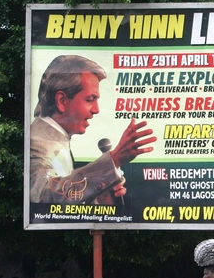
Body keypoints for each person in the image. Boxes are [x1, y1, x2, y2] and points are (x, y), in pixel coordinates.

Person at [30, 54, 157, 204]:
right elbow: (43, 198)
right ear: (62, 101)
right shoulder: (36, 142)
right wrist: (113, 160)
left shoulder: (57, 139)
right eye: (90, 100)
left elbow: (65, 199)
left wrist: (98, 199)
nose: (96, 110)